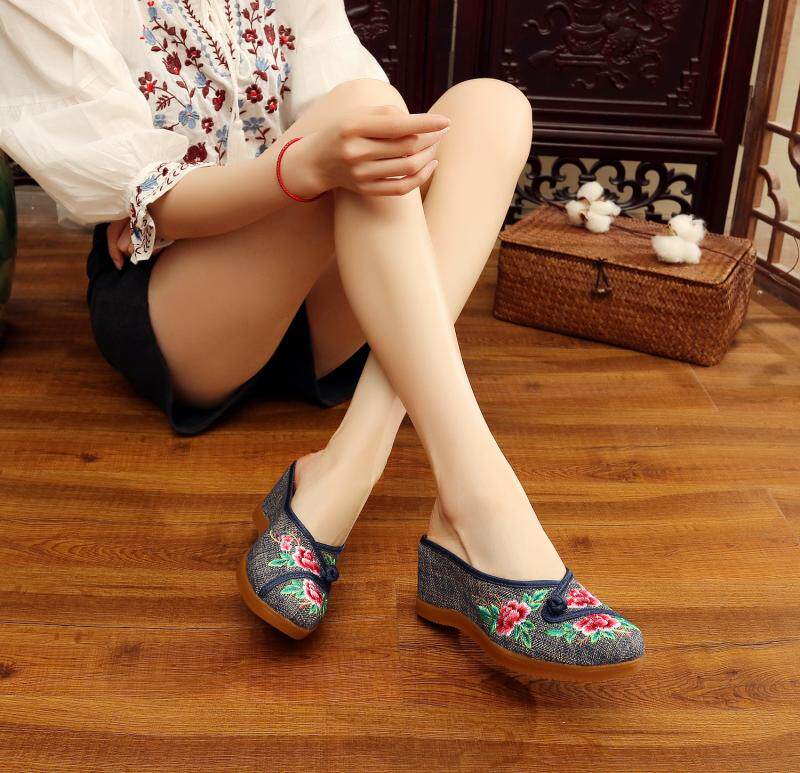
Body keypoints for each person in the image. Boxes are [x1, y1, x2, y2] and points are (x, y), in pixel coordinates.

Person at [0, 0, 643, 680]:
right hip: (181, 301)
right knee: (360, 120)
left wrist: (334, 157)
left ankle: (345, 470)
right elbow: (149, 207)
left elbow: (359, 120)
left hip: (318, 282)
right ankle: (481, 509)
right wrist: (301, 167)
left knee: (492, 107)